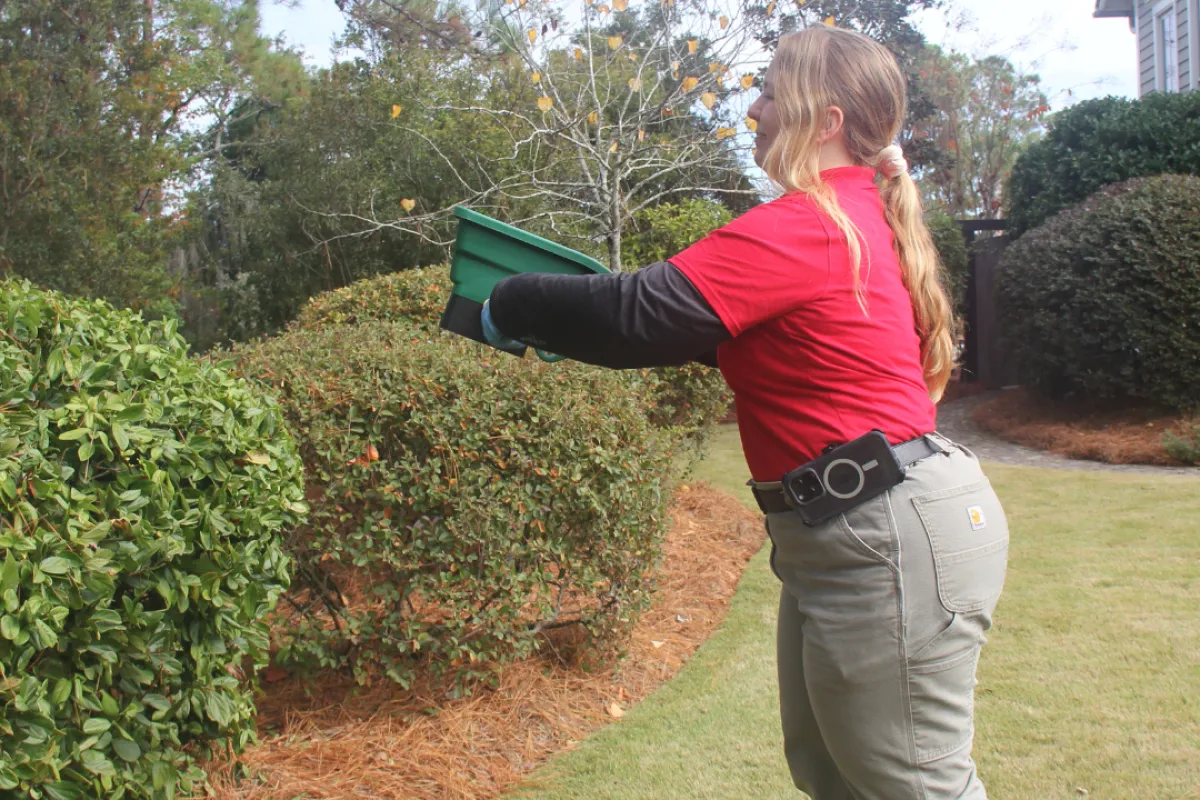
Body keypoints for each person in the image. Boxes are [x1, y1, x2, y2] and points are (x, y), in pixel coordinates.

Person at [479, 25, 1009, 800]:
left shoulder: (812, 225)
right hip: (859, 530)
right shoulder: (857, 218)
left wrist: (511, 299)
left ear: (825, 120)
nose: (752, 107)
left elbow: (639, 314)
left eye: (767, 89)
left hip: (884, 534)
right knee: (837, 777)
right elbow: (719, 339)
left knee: (914, 788)